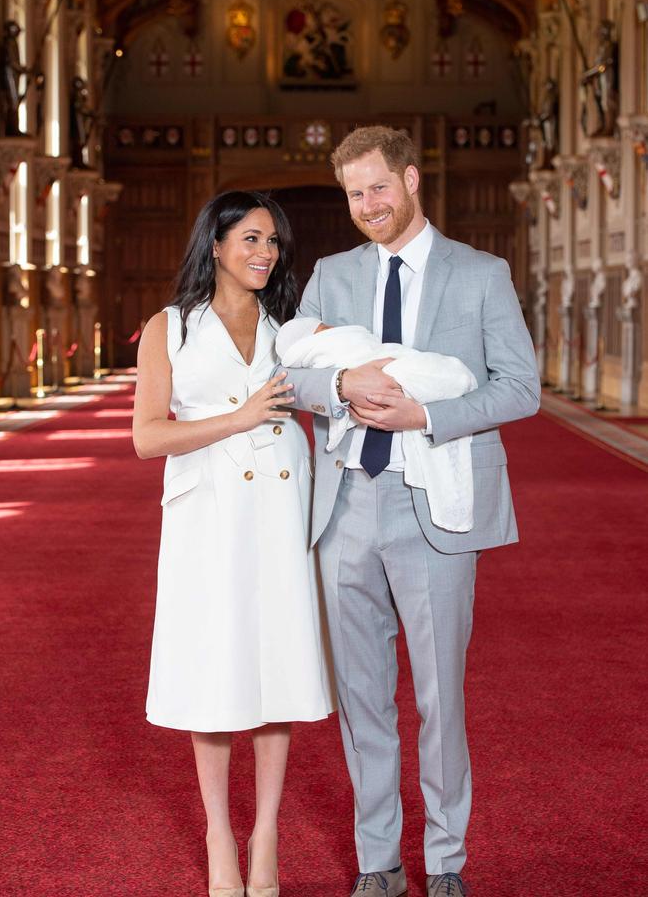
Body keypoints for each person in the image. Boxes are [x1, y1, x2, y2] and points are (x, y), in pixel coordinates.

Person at [276, 126, 541, 897]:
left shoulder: (480, 273)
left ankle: (448, 861)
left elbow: (520, 387)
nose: (368, 206)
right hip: (348, 506)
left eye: (378, 188)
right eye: (355, 194)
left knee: (437, 698)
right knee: (362, 700)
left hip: (437, 505)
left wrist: (424, 416)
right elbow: (296, 378)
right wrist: (342, 390)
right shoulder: (331, 275)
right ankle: (378, 864)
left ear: (412, 179)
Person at [133, 190, 335, 897]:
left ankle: (266, 834)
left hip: (282, 503)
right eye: (250, 239)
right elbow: (147, 436)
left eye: (273, 241)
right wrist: (240, 417)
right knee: (217, 669)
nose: (265, 253)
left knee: (275, 668)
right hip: (207, 513)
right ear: (214, 245)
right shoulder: (169, 328)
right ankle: (220, 830)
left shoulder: (292, 326)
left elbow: (331, 389)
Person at [275, 317, 477, 532]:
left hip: (420, 484)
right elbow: (281, 379)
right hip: (345, 488)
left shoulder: (484, 282)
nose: (332, 329)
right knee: (414, 374)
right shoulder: (323, 290)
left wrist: (425, 417)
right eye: (324, 329)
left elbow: (516, 385)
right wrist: (342, 384)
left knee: (431, 372)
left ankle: (453, 377)